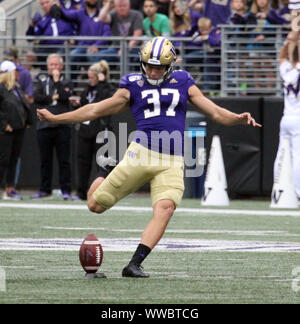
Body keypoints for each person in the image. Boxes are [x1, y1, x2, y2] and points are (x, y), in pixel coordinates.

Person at [37, 37, 261, 277]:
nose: (153, 71)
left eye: (159, 67)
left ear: (170, 65)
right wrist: (56, 118)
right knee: (95, 205)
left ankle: (134, 264)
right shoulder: (132, 84)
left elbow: (215, 111)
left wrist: (236, 117)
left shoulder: (183, 81)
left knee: (165, 208)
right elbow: (95, 109)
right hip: (141, 154)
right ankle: (105, 173)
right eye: (149, 65)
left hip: (172, 159)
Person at [31, 54, 73, 200]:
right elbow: (37, 98)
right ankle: (44, 189)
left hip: (62, 125)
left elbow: (64, 96)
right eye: (51, 65)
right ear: (47, 67)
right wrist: (51, 98)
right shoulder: (42, 81)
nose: (54, 68)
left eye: (56, 65)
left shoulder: (66, 81)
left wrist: (57, 81)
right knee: (45, 160)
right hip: (44, 126)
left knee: (64, 160)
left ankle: (66, 190)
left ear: (61, 66)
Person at [71, 61, 114, 201]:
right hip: (85, 131)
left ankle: (102, 192)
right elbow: (85, 107)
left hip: (100, 131)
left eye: (92, 77)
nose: (90, 80)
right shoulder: (87, 90)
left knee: (103, 163)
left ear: (99, 76)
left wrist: (102, 83)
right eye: (89, 77)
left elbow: (107, 100)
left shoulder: (106, 88)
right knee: (82, 163)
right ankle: (81, 192)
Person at [0, 61, 33, 200]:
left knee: (14, 160)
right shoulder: (1, 88)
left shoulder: (16, 88)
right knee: (3, 159)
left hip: (18, 128)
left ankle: (10, 188)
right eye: (16, 71)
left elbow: (23, 105)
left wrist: (27, 120)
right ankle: (2, 188)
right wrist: (3, 124)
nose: (18, 73)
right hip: (6, 130)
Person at [274, 41, 300, 200]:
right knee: (297, 155)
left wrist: (287, 42)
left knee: (282, 153)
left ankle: (277, 187)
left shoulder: (287, 70)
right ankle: (297, 192)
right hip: (298, 118)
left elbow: (282, 57)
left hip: (286, 117)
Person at [58, 0, 112, 66]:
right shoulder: (80, 13)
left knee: (90, 54)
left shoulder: (103, 14)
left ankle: (94, 75)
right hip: (82, 47)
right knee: (72, 55)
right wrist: (59, 8)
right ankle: (72, 76)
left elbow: (107, 33)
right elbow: (66, 15)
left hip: (99, 48)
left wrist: (97, 45)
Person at [26, 0, 74, 66]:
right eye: (42, 4)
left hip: (64, 46)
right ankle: (25, 75)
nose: (45, 6)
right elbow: (30, 38)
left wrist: (72, 39)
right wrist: (32, 25)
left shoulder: (68, 14)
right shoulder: (43, 20)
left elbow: (78, 28)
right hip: (47, 47)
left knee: (58, 56)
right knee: (30, 55)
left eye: (47, 2)